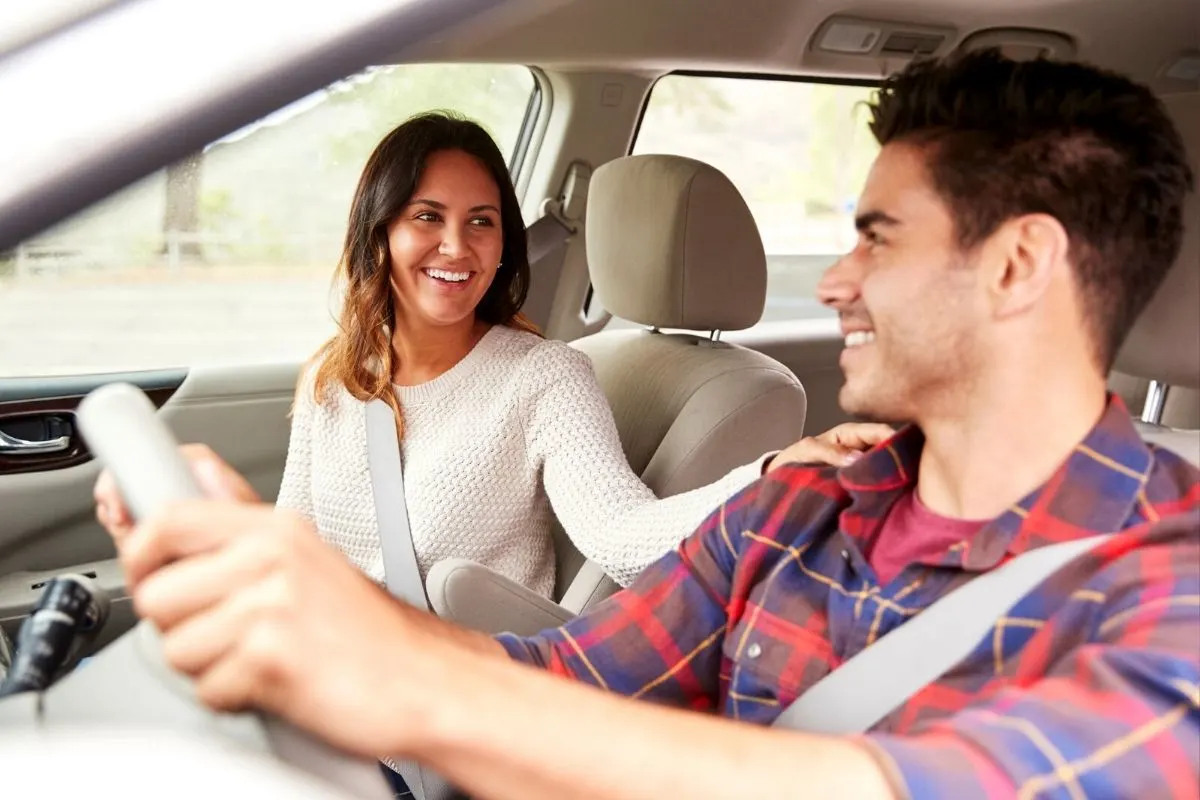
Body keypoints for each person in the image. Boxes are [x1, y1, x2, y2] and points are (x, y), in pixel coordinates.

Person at [98, 49, 1199, 799]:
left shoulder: (1171, 586)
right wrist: (289, 595)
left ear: (1018, 265)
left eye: (878, 239)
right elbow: (567, 669)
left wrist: (405, 680)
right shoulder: (804, 509)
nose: (836, 282)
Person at [96, 111, 891, 597]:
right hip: (328, 680)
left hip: (443, 696)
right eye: (427, 216)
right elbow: (294, 544)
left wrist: (776, 471)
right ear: (380, 231)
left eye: (481, 220)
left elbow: (624, 537)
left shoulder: (544, 376)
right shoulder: (336, 377)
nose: (456, 246)